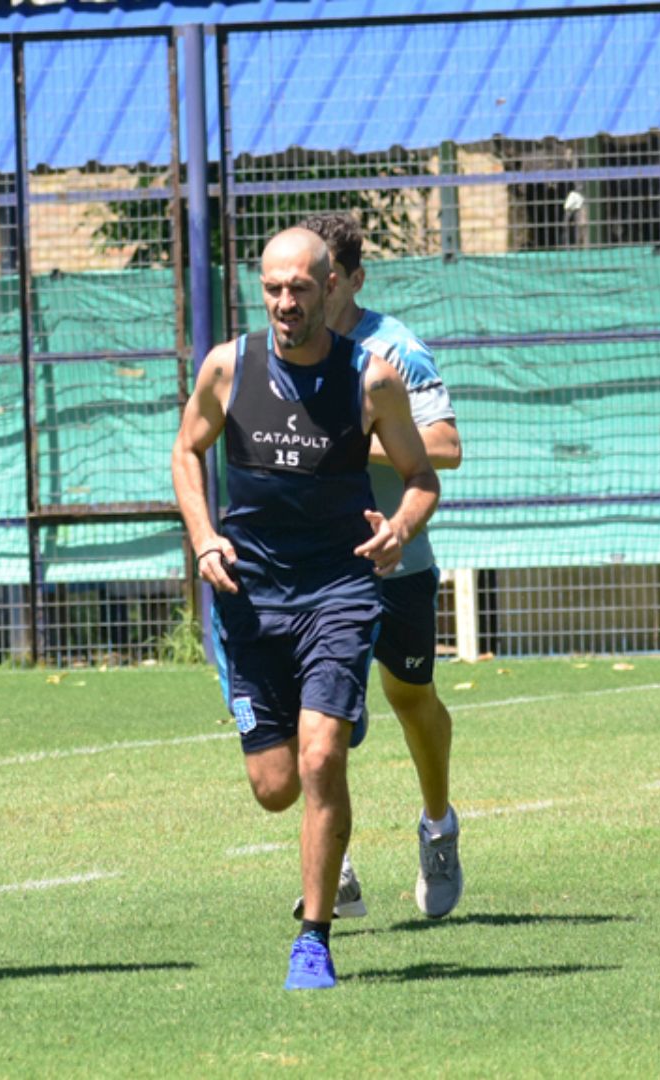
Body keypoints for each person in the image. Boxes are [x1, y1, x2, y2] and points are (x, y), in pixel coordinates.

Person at [171, 228, 439, 990]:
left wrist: (399, 528)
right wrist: (204, 539)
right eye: (273, 288)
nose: (287, 303)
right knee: (276, 787)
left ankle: (314, 941)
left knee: (323, 757)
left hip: (341, 589)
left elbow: (422, 476)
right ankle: (321, 713)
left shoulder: (371, 379)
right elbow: (187, 450)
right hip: (251, 596)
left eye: (301, 288)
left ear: (331, 289)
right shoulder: (229, 367)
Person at [299, 212, 465, 921]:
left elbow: (446, 448)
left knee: (410, 699)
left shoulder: (395, 351)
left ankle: (438, 826)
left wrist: (348, 441)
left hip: (396, 563)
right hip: (307, 567)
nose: (309, 294)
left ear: (353, 280)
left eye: (325, 280)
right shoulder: (275, 354)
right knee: (316, 721)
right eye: (303, 280)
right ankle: (332, 865)